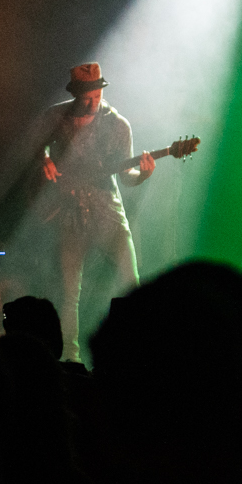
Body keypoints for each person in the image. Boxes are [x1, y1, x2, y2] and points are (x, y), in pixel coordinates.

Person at [38, 62, 155, 363]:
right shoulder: (55, 116)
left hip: (108, 211)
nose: (93, 103)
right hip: (70, 213)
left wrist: (142, 174)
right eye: (86, 97)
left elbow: (127, 177)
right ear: (75, 94)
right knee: (69, 293)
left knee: (131, 284)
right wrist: (44, 159)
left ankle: (135, 355)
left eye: (97, 96)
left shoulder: (118, 126)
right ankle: (70, 360)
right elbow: (35, 145)